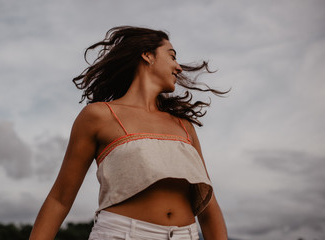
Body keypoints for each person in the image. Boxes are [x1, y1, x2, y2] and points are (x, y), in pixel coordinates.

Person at [30, 26, 228, 240]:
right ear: (147, 55)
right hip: (121, 234)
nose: (178, 68)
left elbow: (208, 208)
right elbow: (59, 199)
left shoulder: (183, 125)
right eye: (172, 57)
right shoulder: (98, 116)